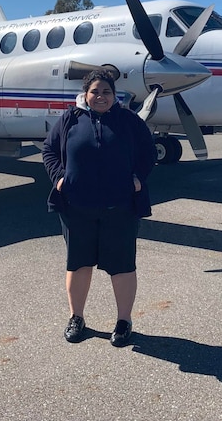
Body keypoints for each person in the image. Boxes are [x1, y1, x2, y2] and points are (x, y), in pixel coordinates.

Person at [42, 69, 156, 347]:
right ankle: (76, 317)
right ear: (86, 94)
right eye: (95, 91)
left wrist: (138, 179)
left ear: (114, 95)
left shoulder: (128, 120)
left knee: (122, 266)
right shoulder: (70, 119)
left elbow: (148, 151)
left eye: (106, 91)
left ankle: (123, 321)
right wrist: (59, 178)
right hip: (77, 207)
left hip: (120, 207)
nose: (101, 97)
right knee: (78, 264)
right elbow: (49, 150)